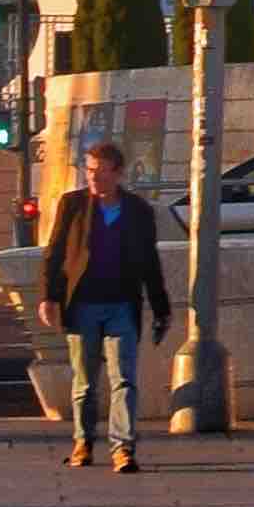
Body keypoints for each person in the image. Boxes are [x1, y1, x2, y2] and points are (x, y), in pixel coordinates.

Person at [42, 139, 169, 473]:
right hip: (82, 303)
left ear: (118, 173)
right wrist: (49, 297)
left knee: (123, 379)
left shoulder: (139, 212)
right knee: (84, 381)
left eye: (100, 172)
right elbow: (54, 253)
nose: (93, 178)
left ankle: (122, 448)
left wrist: (161, 307)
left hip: (121, 305)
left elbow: (149, 262)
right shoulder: (72, 206)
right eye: (90, 170)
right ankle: (83, 442)